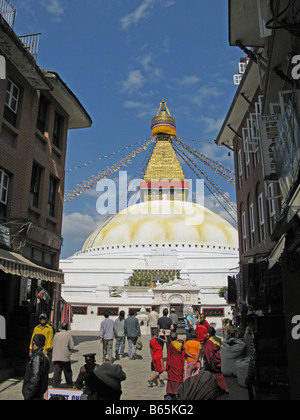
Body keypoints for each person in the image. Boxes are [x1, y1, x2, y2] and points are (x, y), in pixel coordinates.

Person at [22, 334, 50, 400]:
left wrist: (28, 395)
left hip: (34, 396)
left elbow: (35, 378)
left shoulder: (37, 357)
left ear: (33, 342)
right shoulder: (44, 356)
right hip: (39, 395)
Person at [204, 327, 228, 394]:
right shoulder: (218, 339)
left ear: (208, 333)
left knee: (211, 375)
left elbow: (207, 353)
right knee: (219, 375)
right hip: (217, 359)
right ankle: (224, 388)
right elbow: (218, 349)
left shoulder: (208, 342)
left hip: (211, 361)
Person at [52, 323, 74, 388]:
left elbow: (53, 344)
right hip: (64, 356)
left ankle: (55, 386)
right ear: (67, 327)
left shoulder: (56, 335)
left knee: (57, 372)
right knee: (67, 372)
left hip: (56, 356)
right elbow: (71, 346)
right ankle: (69, 384)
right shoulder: (68, 335)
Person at [166, 331, 185, 399]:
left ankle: (172, 391)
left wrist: (167, 366)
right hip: (179, 363)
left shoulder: (171, 345)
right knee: (179, 378)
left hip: (172, 363)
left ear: (170, 338)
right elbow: (184, 350)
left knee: (172, 378)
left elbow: (169, 356)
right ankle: (179, 391)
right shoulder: (180, 344)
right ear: (177, 337)